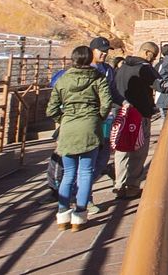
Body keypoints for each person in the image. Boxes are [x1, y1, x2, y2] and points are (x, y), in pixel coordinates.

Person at [48, 45, 113, 231]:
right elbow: (106, 102)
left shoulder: (63, 78)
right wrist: (97, 118)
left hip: (68, 128)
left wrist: (64, 119)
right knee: (85, 173)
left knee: (68, 173)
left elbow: (51, 109)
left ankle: (62, 215)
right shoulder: (98, 78)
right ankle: (80, 215)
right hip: (90, 128)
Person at [113, 41, 161, 198]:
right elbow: (160, 85)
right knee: (139, 150)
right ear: (148, 54)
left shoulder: (123, 66)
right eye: (153, 57)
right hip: (140, 114)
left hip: (121, 112)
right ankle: (133, 185)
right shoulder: (144, 68)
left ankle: (119, 185)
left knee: (122, 149)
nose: (153, 60)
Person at [89, 37, 120, 180]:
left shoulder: (108, 70)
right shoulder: (84, 69)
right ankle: (80, 195)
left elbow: (113, 91)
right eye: (101, 51)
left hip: (106, 119)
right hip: (88, 119)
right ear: (92, 50)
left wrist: (124, 102)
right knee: (88, 159)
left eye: (106, 51)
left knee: (103, 156)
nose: (104, 54)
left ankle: (83, 191)